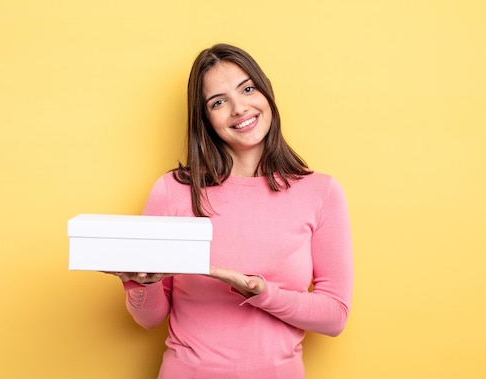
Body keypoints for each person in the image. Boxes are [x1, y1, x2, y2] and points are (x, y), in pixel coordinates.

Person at [108, 43, 353, 378]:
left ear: (266, 93)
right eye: (219, 102)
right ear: (205, 118)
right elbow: (149, 319)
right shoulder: (173, 191)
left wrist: (260, 292)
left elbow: (335, 316)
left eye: (248, 89)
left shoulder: (320, 192)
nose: (239, 108)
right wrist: (140, 284)